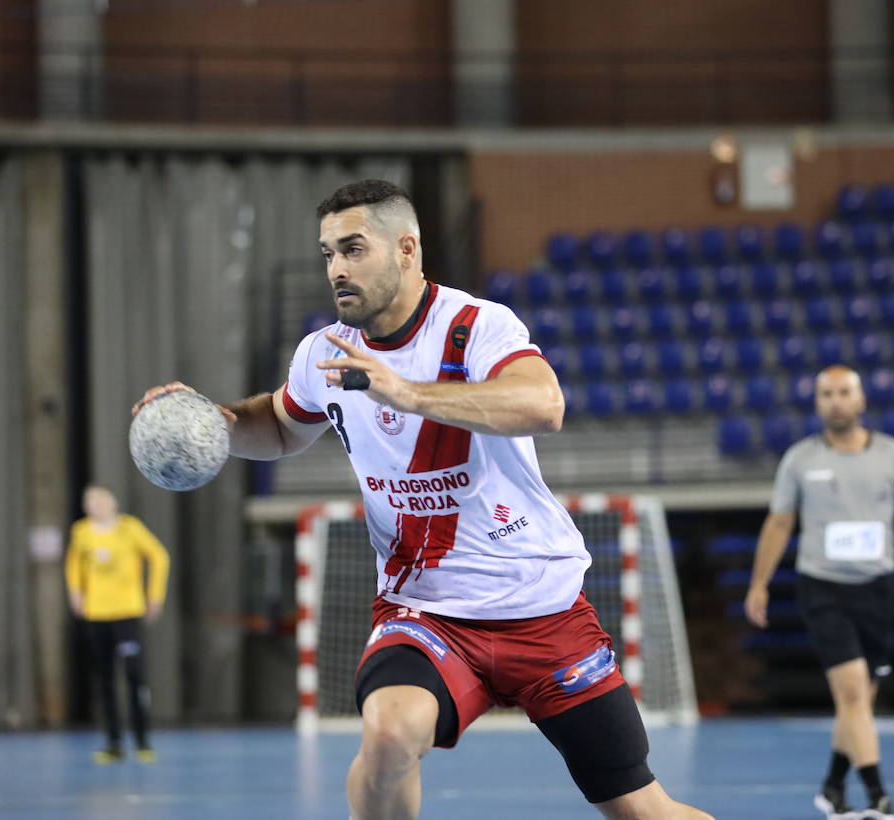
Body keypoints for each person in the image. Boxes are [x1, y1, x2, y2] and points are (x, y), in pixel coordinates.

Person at [133, 180, 713, 820]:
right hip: (425, 611)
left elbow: (543, 407)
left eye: (353, 249)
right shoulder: (324, 353)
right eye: (327, 254)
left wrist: (408, 392)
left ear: (406, 248)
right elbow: (277, 425)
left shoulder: (476, 327)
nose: (337, 269)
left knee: (642, 810)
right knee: (387, 735)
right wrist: (207, 423)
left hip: (541, 608)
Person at [745, 365, 894, 820]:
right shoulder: (799, 460)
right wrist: (759, 585)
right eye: (826, 393)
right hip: (822, 588)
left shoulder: (893, 457)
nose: (836, 401)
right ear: (817, 403)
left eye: (844, 392)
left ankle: (831, 786)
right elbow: (780, 523)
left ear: (861, 400)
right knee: (851, 695)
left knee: (859, 704)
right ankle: (877, 795)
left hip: (878, 589)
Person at [64, 484, 170, 764]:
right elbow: (73, 565)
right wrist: (76, 593)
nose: (94, 505)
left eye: (99, 499)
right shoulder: (81, 532)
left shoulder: (130, 528)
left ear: (113, 502)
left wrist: (155, 596)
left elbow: (159, 557)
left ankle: (142, 740)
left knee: (134, 676)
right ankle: (113, 742)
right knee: (105, 680)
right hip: (97, 614)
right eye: (89, 500)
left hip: (127, 613)